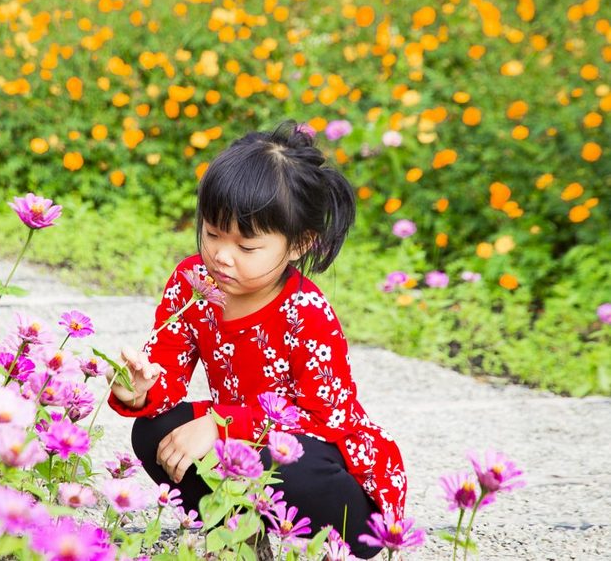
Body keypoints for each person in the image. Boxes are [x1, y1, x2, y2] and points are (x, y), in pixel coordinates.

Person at [107, 120, 406, 559]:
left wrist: (221, 424)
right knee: (154, 431)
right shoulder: (193, 283)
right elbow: (166, 364)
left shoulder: (306, 312)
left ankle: (307, 539)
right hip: (242, 447)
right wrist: (140, 390)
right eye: (212, 233)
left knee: (279, 461)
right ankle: (238, 533)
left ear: (299, 244)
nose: (221, 256)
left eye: (246, 247)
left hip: (335, 485)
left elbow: (325, 419)